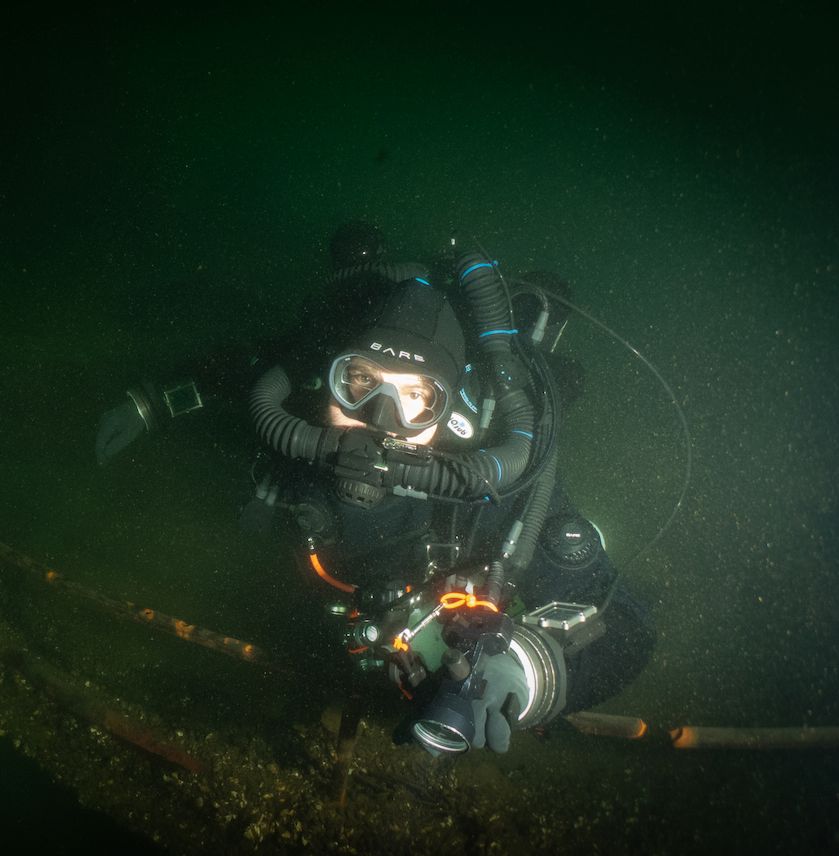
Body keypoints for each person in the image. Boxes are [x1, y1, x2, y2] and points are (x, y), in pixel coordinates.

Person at [99, 223, 656, 756]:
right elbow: (234, 371)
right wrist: (151, 403)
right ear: (330, 378)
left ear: (452, 414)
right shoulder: (299, 412)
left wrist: (529, 671)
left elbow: (628, 628)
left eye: (418, 398)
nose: (380, 420)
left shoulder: (488, 492)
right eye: (360, 381)